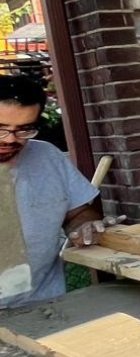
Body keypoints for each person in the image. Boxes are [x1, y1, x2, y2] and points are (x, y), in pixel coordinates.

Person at [0, 74, 102, 308]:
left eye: (24, 130)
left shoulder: (47, 156)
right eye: (1, 129)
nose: (10, 140)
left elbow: (77, 213)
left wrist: (84, 226)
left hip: (44, 304)